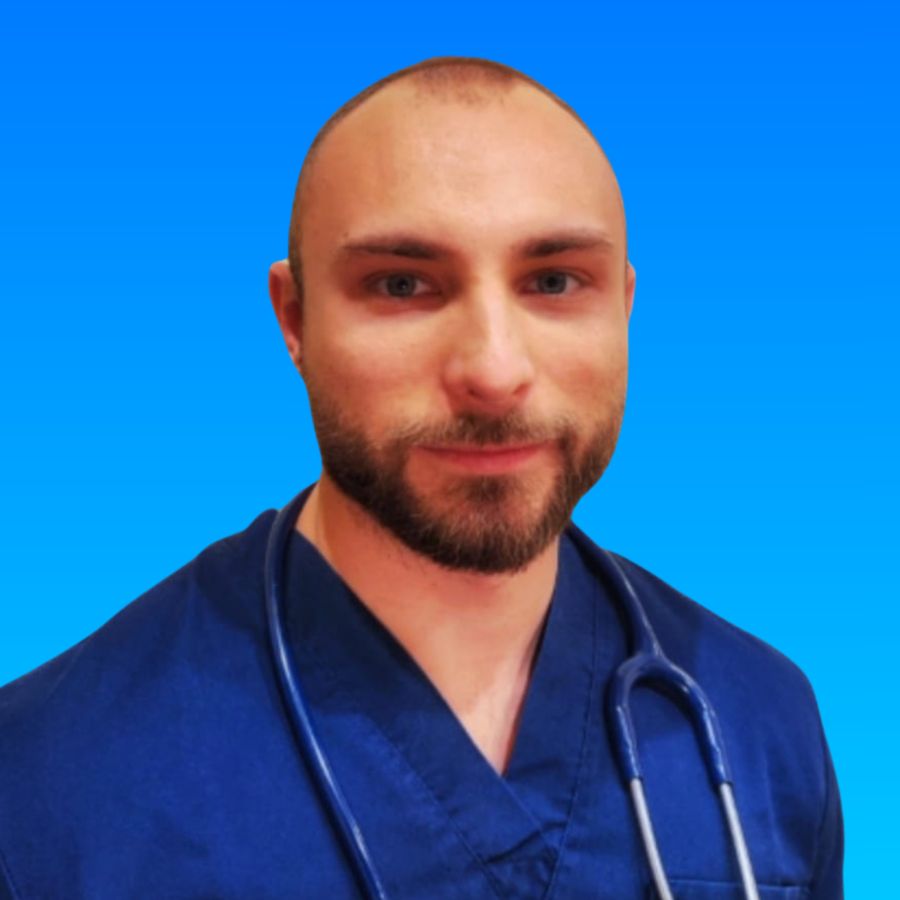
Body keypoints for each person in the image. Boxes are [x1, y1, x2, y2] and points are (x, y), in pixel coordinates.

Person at [0, 57, 842, 899]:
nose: (494, 371)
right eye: (402, 285)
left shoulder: (759, 720)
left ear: (623, 306)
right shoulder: (44, 781)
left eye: (554, 281)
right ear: (294, 319)